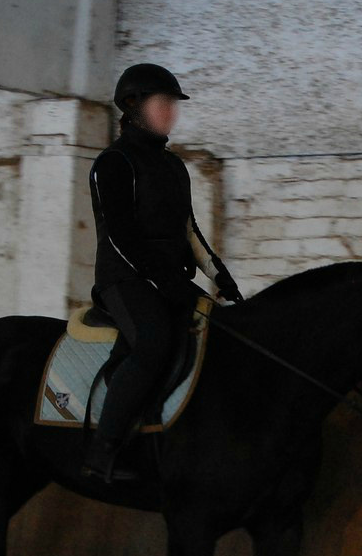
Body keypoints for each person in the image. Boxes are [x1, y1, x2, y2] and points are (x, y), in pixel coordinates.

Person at [81, 63, 242, 484]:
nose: (171, 111)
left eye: (174, 103)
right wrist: (164, 281)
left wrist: (219, 275)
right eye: (162, 103)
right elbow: (120, 234)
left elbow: (188, 230)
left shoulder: (173, 166)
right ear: (133, 107)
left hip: (169, 280)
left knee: (219, 334)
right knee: (153, 343)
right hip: (125, 280)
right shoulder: (113, 163)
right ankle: (103, 450)